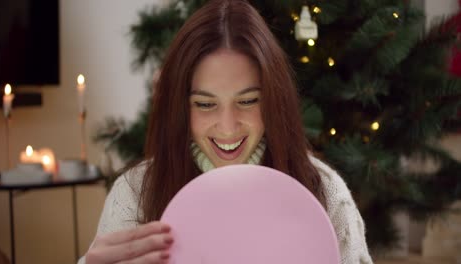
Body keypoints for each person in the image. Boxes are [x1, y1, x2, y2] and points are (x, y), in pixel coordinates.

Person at [80, 0, 373, 263]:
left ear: (274, 99)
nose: (228, 127)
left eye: (247, 101)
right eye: (205, 104)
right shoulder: (135, 193)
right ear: (180, 107)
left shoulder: (324, 192)